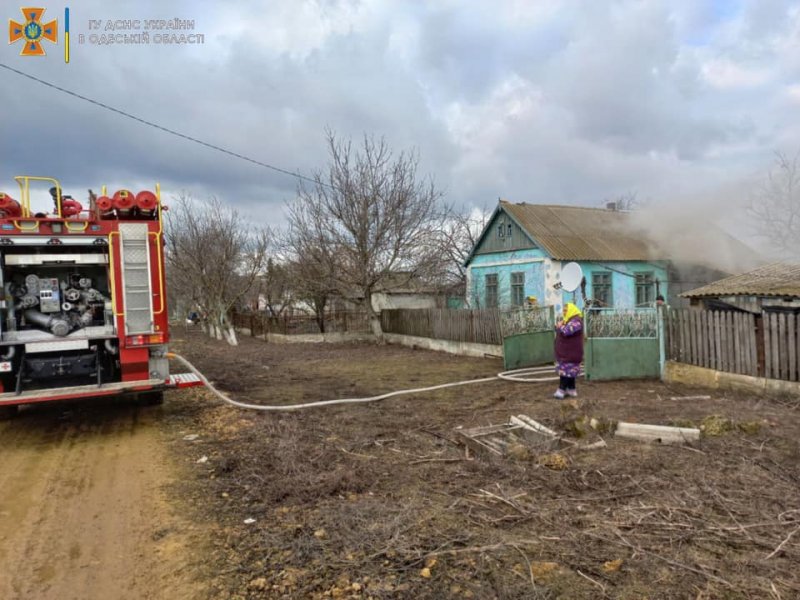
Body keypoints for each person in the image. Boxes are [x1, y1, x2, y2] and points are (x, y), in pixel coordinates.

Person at [553, 302, 584, 399]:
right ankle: (571, 389)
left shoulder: (576, 321)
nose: (564, 312)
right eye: (564, 310)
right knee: (570, 372)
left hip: (571, 353)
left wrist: (560, 326)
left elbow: (567, 331)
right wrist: (559, 326)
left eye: (566, 310)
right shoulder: (568, 320)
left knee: (566, 372)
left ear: (572, 310)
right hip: (566, 353)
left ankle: (561, 390)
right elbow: (561, 330)